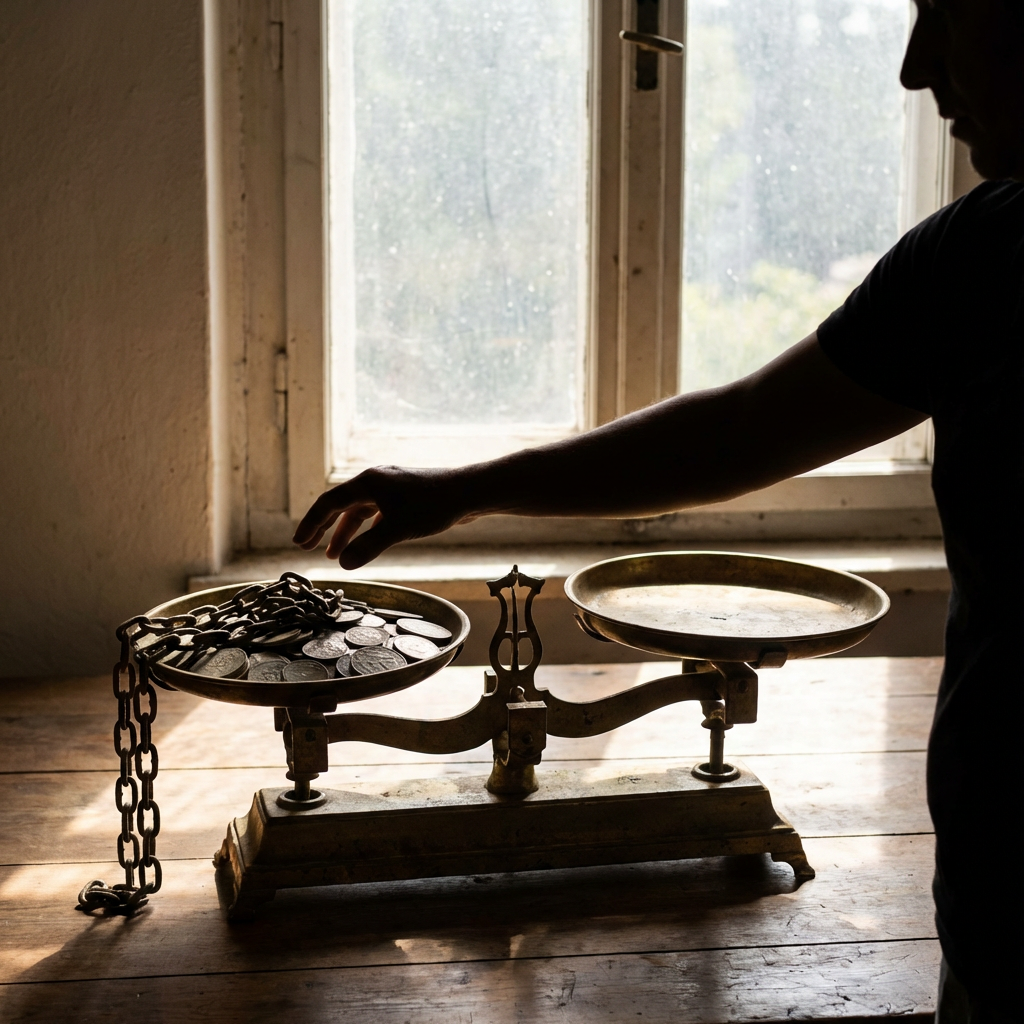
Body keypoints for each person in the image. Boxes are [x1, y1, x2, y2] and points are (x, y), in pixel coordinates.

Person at [294, 1, 1023, 1019]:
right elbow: (734, 431)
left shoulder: (992, 256)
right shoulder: (978, 256)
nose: (912, 68)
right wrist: (457, 491)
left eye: (945, 12)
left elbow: (733, 436)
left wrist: (461, 493)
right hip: (1002, 867)